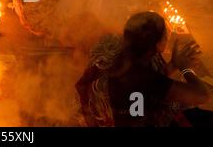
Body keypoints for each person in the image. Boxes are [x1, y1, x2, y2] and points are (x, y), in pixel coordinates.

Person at [77, 11, 211, 127]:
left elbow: (150, 85)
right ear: (159, 45)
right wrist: (185, 68)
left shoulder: (124, 57)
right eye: (165, 35)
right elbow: (202, 96)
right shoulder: (143, 77)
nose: (167, 38)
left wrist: (173, 64)